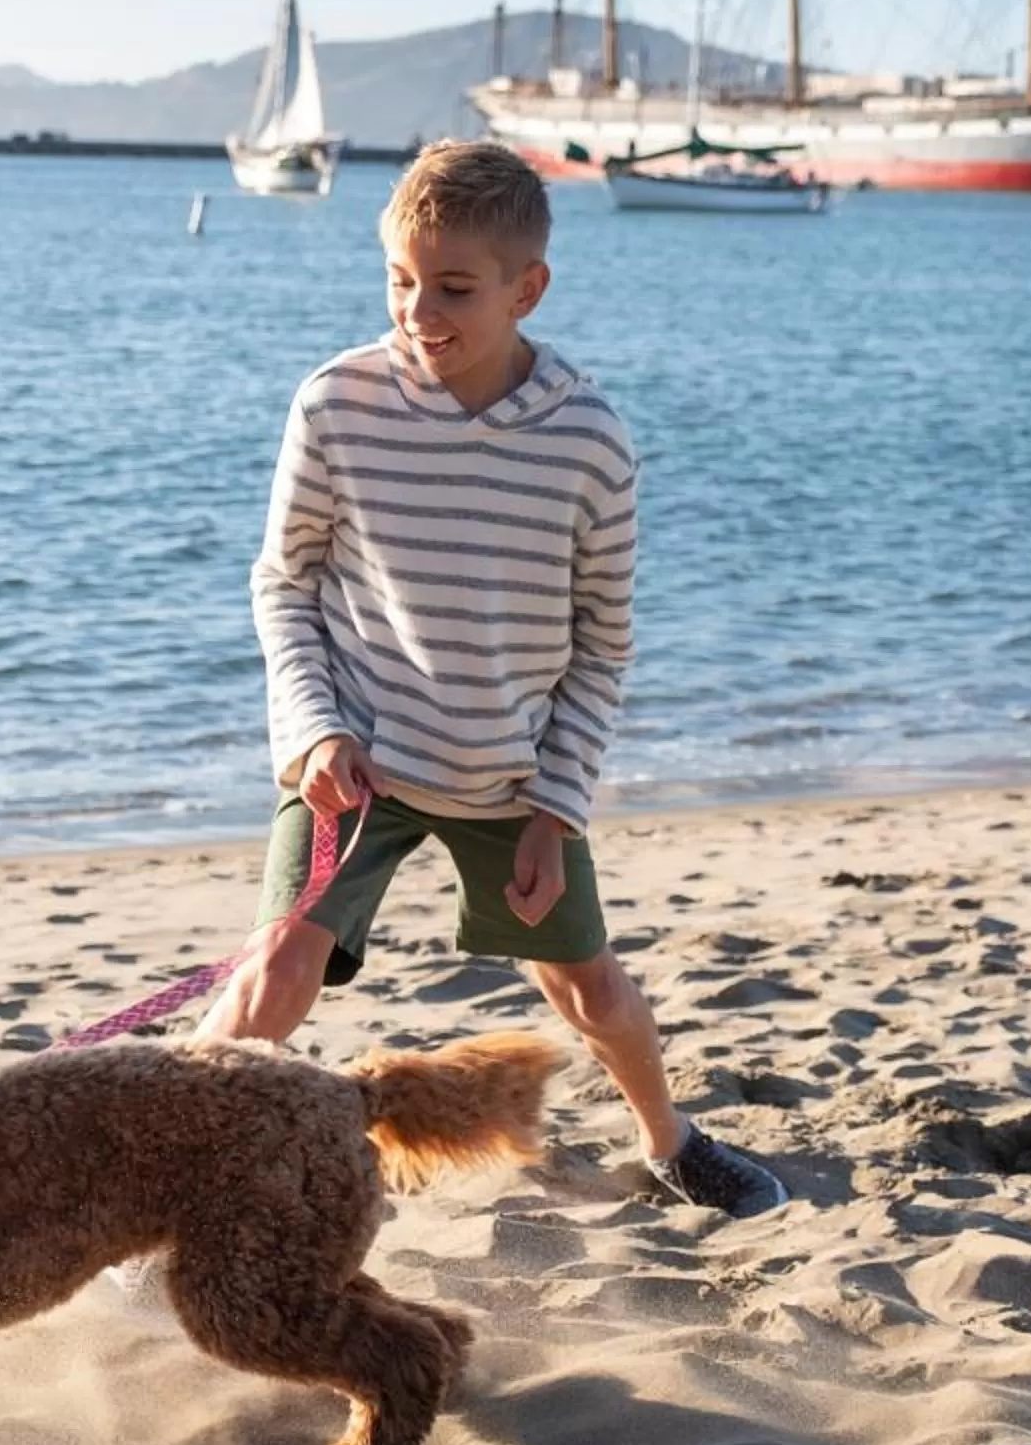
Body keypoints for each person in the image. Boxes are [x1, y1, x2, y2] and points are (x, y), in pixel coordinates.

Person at [198, 139, 788, 1219]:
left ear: (528, 289)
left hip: (508, 777)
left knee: (588, 987)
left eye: (454, 288)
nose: (418, 311)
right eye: (399, 280)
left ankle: (670, 1142)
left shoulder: (589, 440)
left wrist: (556, 808)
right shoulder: (335, 403)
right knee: (275, 967)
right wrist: (315, 729)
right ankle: (154, 1174)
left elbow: (602, 644)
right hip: (356, 759)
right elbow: (283, 583)